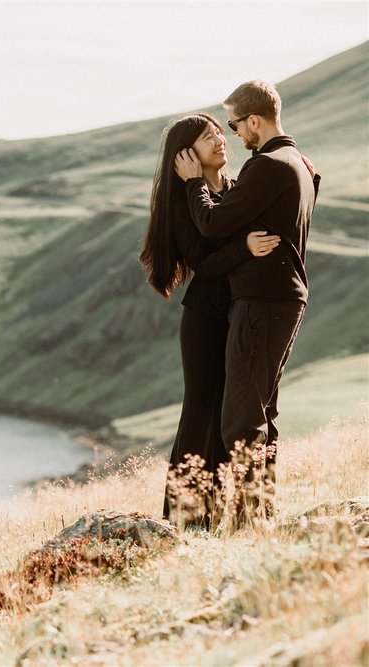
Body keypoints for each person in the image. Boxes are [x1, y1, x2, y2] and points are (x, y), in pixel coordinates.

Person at [174, 81, 320, 527]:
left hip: (263, 302)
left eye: (236, 125)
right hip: (282, 299)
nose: (235, 135)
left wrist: (195, 183)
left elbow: (214, 222)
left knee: (239, 417)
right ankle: (261, 517)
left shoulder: (269, 166)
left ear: (254, 120)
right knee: (261, 412)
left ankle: (247, 522)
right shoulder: (302, 164)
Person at [141, 112, 279, 529]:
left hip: (240, 314)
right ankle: (182, 519)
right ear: (186, 155)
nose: (221, 140)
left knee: (230, 415)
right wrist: (245, 249)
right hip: (205, 318)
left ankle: (215, 514)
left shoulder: (235, 189)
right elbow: (204, 262)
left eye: (221, 132)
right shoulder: (186, 198)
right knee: (201, 413)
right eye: (208, 137)